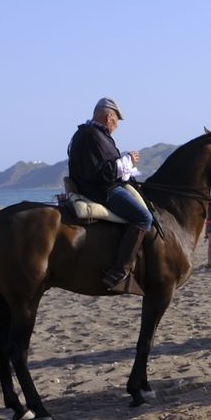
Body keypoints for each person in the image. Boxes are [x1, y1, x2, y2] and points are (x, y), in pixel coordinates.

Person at [67, 97, 153, 293]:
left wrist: (126, 163)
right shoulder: (92, 135)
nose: (117, 125)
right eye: (116, 120)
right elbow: (105, 172)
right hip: (102, 191)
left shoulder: (90, 134)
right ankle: (120, 270)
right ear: (108, 117)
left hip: (95, 186)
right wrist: (128, 159)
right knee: (143, 217)